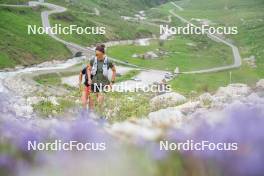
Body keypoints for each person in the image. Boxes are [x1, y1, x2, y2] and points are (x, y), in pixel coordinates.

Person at [87, 44, 116, 114]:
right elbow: (88, 69)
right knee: (91, 101)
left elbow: (114, 70)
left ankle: (100, 116)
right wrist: (89, 79)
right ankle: (90, 116)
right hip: (94, 83)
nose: (97, 56)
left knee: (100, 100)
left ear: (103, 54)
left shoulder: (108, 61)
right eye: (96, 54)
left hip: (104, 84)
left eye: (98, 55)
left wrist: (112, 82)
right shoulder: (93, 60)